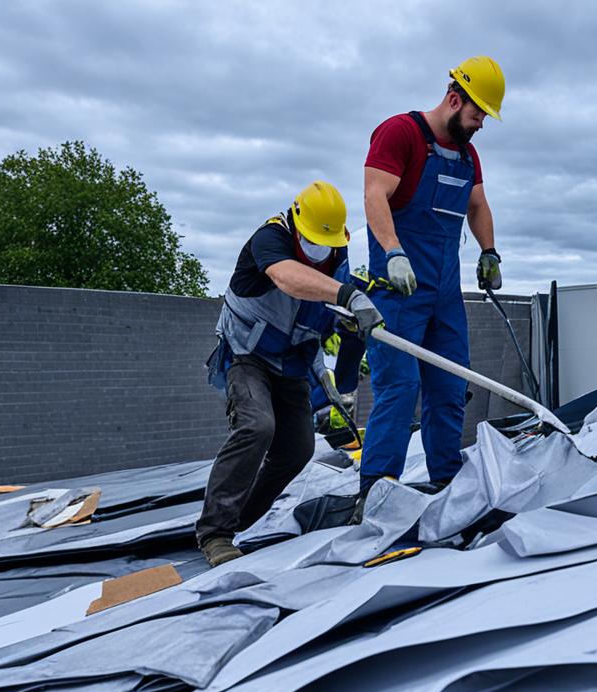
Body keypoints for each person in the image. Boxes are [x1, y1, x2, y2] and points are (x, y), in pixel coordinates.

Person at [198, 181, 382, 566]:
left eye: (325, 243)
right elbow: (288, 279)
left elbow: (320, 312)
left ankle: (239, 520)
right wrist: (345, 295)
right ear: (296, 222)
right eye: (311, 240)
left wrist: (347, 319)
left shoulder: (335, 251)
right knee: (257, 426)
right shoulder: (269, 239)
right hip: (247, 354)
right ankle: (215, 532)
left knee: (298, 449)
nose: (318, 251)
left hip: (293, 362)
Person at [359, 56, 506, 499]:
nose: (481, 122)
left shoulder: (467, 154)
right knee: (399, 390)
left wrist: (489, 252)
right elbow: (374, 194)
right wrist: (393, 252)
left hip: (444, 293)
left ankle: (446, 481)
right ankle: (378, 490)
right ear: (454, 98)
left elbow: (477, 205)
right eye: (477, 112)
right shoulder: (400, 133)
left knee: (449, 386)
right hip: (399, 291)